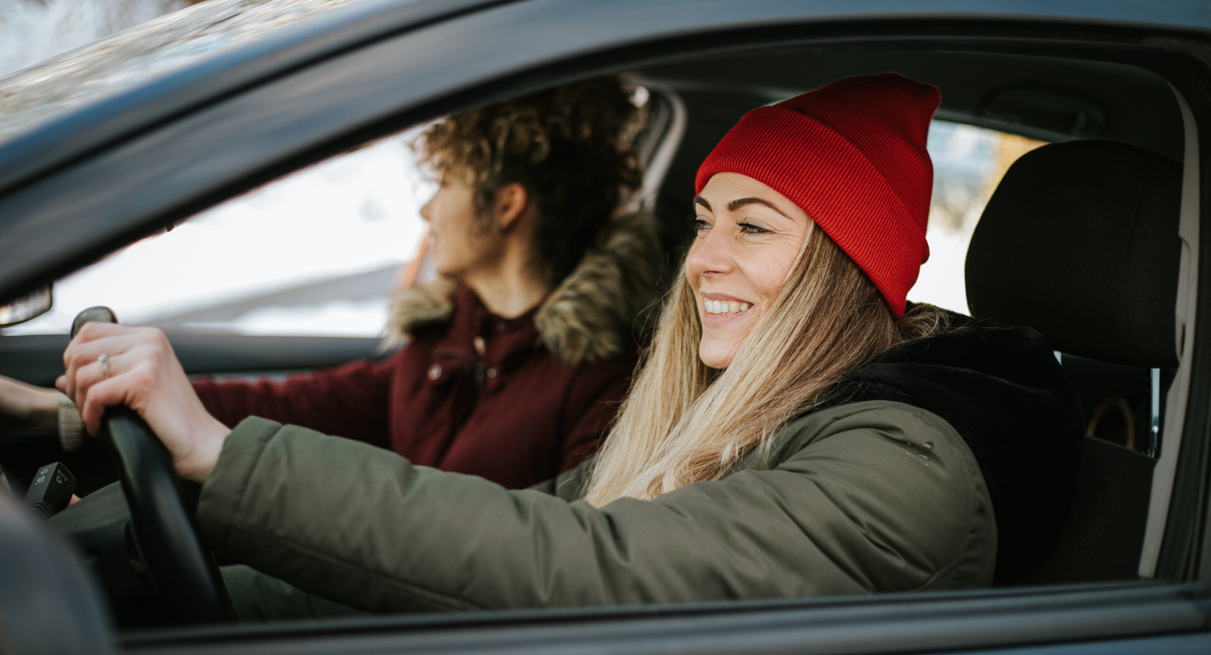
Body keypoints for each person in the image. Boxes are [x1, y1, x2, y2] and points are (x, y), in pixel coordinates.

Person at [58, 73, 1083, 614]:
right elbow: (534, 518)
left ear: (839, 269)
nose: (700, 261)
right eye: (705, 218)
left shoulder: (907, 463)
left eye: (753, 225)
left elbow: (589, 566)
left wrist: (223, 458)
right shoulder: (752, 412)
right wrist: (146, 568)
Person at [1, 77, 662, 490]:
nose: (427, 211)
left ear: (508, 205)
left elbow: (559, 560)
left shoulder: (603, 384)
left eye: (445, 184)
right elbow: (297, 404)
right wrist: (63, 410)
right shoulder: (452, 339)